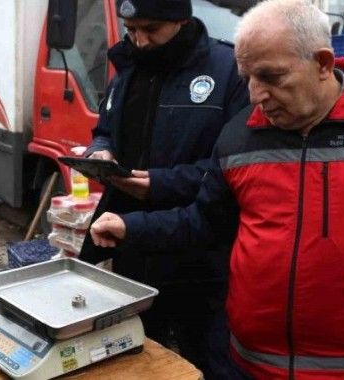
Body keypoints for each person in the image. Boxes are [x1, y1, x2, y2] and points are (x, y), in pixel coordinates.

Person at [89, 0, 344, 379]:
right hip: (250, 366)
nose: (256, 95)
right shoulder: (239, 136)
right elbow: (203, 223)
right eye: (248, 79)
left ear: (322, 63)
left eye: (271, 77)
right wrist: (132, 228)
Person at [79, 0, 250, 378]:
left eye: (151, 29)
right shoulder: (127, 70)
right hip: (134, 248)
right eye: (131, 30)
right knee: (139, 361)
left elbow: (234, 168)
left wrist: (160, 185)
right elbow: (103, 128)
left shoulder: (228, 72)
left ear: (182, 21)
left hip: (200, 258)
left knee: (207, 363)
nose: (139, 41)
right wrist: (100, 151)